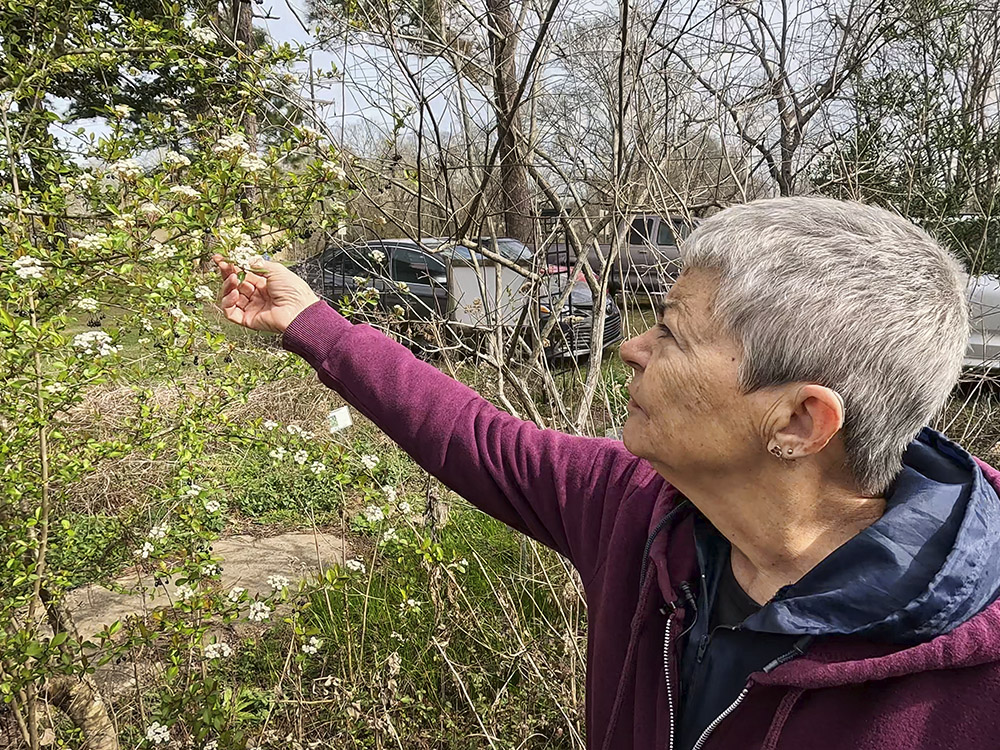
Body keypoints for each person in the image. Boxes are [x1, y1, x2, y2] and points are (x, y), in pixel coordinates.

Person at [215, 197, 1000, 750]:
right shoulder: (643, 507)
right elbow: (478, 439)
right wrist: (310, 321)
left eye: (671, 332)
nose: (633, 347)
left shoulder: (973, 681)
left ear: (799, 422)